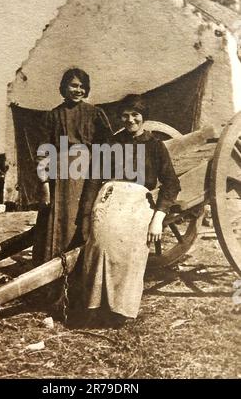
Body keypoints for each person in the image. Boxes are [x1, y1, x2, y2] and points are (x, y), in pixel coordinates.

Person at [80, 94, 181, 327]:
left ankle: (121, 310)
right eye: (125, 115)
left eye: (135, 115)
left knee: (132, 249)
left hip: (137, 202)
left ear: (143, 117)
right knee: (99, 245)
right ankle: (95, 306)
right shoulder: (111, 144)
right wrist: (86, 216)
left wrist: (158, 218)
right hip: (109, 198)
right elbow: (94, 180)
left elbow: (171, 183)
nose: (130, 120)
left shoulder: (155, 146)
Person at [32, 68, 111, 269]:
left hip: (87, 176)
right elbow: (43, 152)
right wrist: (44, 184)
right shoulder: (52, 116)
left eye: (82, 86)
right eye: (73, 85)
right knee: (58, 223)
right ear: (64, 87)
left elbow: (108, 146)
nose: (78, 90)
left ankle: (83, 270)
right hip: (60, 178)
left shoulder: (95, 113)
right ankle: (54, 272)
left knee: (83, 219)